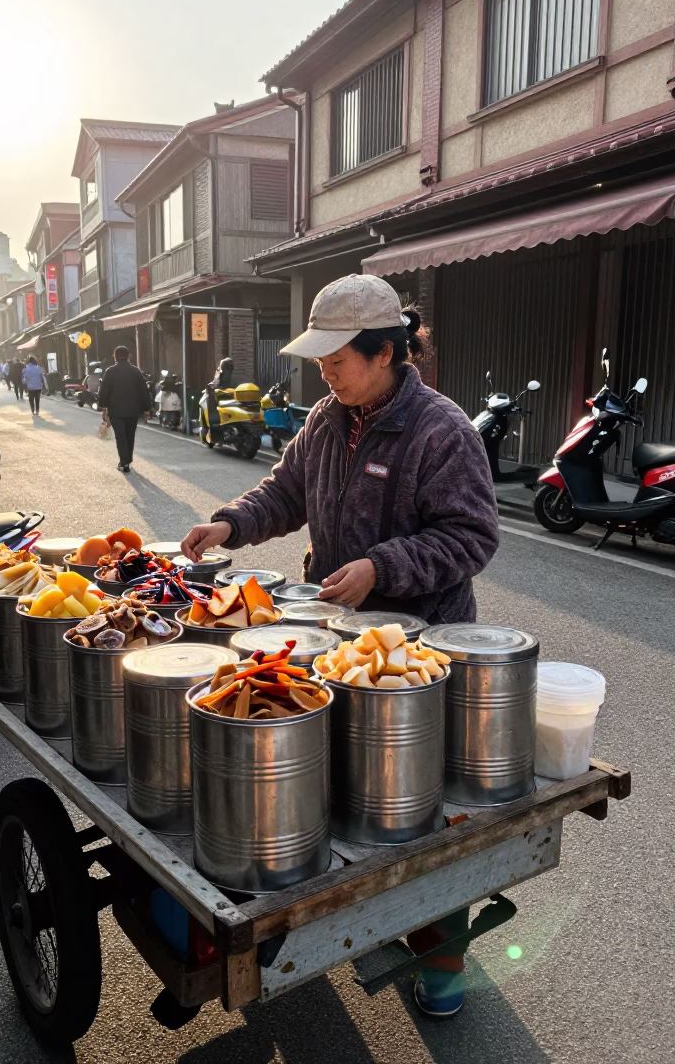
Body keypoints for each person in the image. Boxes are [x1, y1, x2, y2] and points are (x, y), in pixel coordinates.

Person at [180, 274, 500, 1018]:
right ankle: (339, 915)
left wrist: (383, 567)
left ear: (385, 351)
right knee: (339, 791)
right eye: (320, 361)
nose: (325, 373)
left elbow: (472, 536)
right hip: (334, 639)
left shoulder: (441, 430)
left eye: (337, 360)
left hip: (412, 657)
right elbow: (285, 491)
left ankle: (441, 960)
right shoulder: (329, 417)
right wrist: (230, 523)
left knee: (419, 814)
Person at [97, 346, 150, 472]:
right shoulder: (135, 371)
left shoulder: (110, 371)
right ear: (128, 356)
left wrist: (103, 407)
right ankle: (127, 460)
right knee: (130, 436)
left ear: (115, 356)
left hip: (116, 411)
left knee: (121, 437)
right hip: (133, 410)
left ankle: (124, 462)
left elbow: (104, 391)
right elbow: (143, 391)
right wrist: (147, 408)